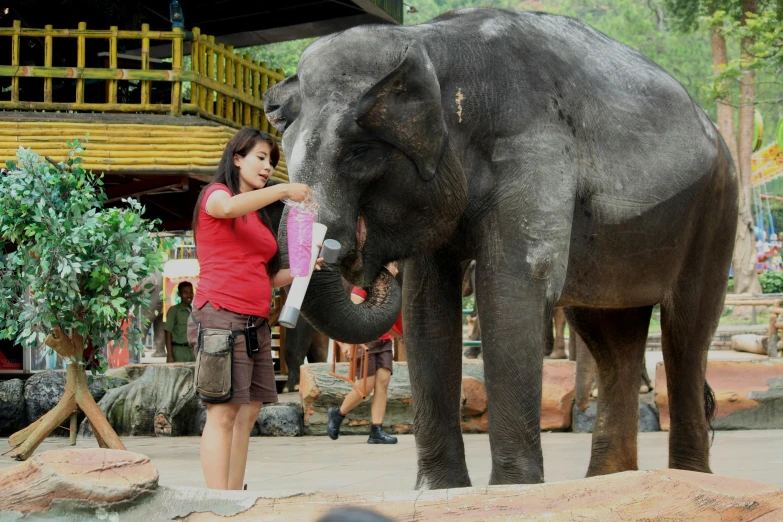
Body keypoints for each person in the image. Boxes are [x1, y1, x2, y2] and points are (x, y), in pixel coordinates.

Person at [186, 128, 322, 490]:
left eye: (271, 162)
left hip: (255, 322)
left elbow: (266, 276)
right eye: (260, 158)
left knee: (247, 413)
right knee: (223, 413)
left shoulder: (258, 217)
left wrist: (303, 266)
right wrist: (282, 190)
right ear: (236, 158)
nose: (266, 167)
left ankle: (234, 494)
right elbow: (227, 209)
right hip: (220, 316)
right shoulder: (217, 195)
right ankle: (219, 504)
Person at [327, 265, 403, 444]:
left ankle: (376, 429)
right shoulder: (363, 286)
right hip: (365, 341)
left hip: (384, 341)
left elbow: (388, 315)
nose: (394, 268)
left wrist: (398, 336)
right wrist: (345, 344)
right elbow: (351, 316)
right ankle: (338, 414)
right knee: (365, 388)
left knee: (383, 383)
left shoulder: (391, 289)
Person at [164, 281, 195, 363]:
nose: (189, 295)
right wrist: (169, 355)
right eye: (185, 292)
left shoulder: (194, 311)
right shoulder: (174, 310)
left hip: (192, 351)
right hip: (179, 352)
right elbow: (168, 332)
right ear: (179, 294)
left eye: (191, 292)